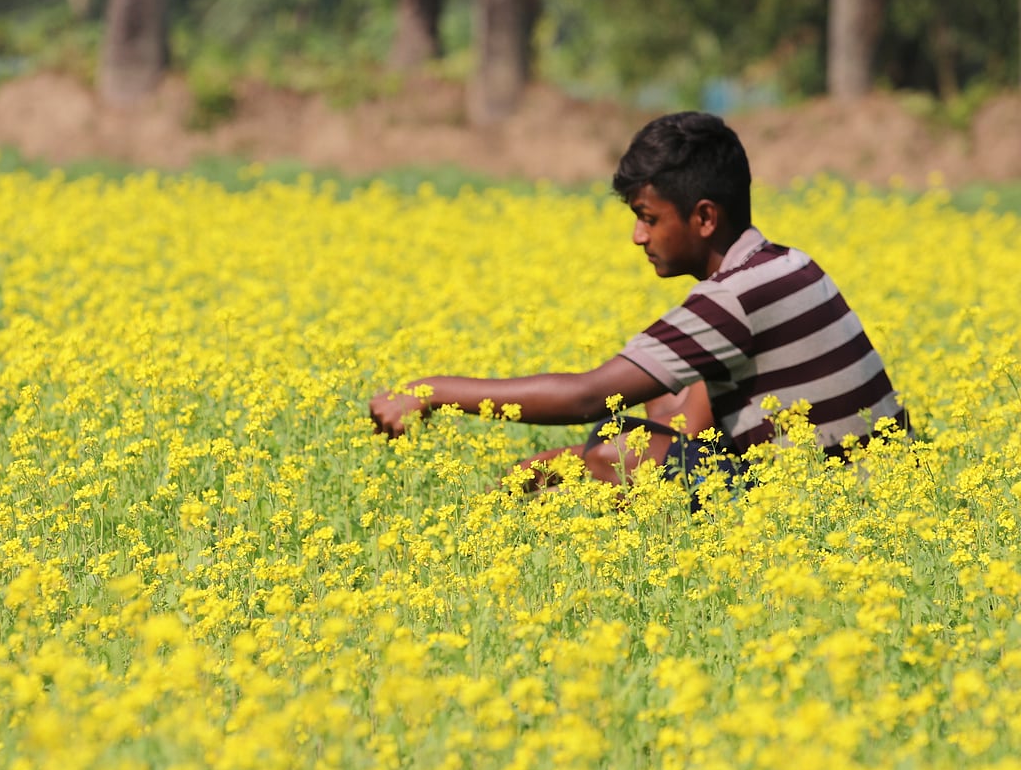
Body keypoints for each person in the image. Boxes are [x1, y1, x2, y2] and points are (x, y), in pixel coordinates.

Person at [369, 111, 908, 497]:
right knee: (634, 423)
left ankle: (486, 535)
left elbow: (585, 396)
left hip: (830, 510)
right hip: (867, 492)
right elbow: (691, 424)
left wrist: (429, 391)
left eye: (649, 217)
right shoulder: (786, 264)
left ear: (704, 217)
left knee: (610, 454)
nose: (636, 236)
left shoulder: (732, 298)